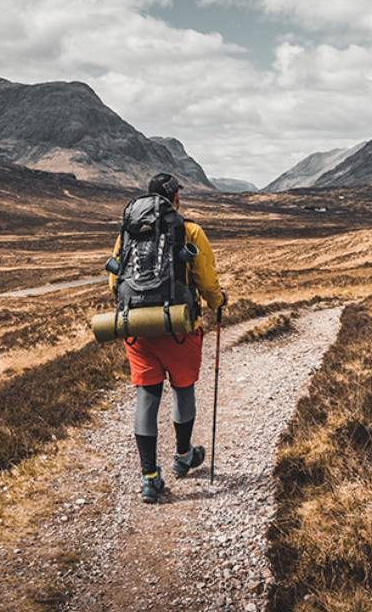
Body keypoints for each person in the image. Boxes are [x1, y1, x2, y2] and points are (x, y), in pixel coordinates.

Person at [108, 173, 227, 503]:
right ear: (175, 198)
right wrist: (218, 302)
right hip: (179, 326)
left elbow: (113, 281)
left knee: (147, 397)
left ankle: (149, 477)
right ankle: (184, 456)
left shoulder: (129, 232)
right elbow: (205, 278)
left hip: (138, 328)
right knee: (183, 389)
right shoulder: (190, 231)